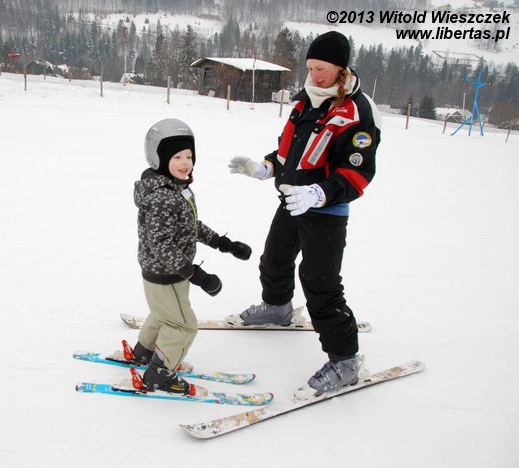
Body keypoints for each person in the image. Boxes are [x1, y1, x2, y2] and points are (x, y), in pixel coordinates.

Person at [227, 31, 382, 399]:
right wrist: (266, 167)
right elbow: (289, 151)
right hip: (292, 199)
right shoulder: (304, 102)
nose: (314, 75)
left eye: (321, 68)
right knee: (275, 258)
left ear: (341, 69)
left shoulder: (357, 112)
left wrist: (319, 192)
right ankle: (278, 307)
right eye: (310, 67)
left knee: (319, 282)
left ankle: (345, 360)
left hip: (326, 211)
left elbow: (357, 171)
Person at [132, 118, 252, 395]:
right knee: (182, 326)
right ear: (159, 159)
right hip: (166, 273)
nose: (185, 162)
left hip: (166, 272)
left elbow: (190, 226)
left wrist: (225, 244)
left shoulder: (177, 189)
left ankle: (144, 352)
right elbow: (161, 243)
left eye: (189, 156)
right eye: (177, 157)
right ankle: (160, 374)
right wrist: (197, 275)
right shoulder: (163, 196)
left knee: (163, 315)